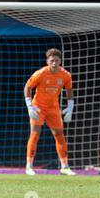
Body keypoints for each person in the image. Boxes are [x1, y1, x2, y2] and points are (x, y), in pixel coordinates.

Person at [24, 48, 76, 176]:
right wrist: (30, 106)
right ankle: (29, 166)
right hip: (38, 107)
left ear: (60, 61)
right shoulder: (41, 73)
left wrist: (70, 107)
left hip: (53, 108)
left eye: (57, 60)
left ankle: (64, 166)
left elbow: (69, 91)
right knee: (35, 134)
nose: (54, 63)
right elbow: (28, 87)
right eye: (52, 60)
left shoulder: (65, 75)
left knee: (59, 135)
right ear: (47, 61)